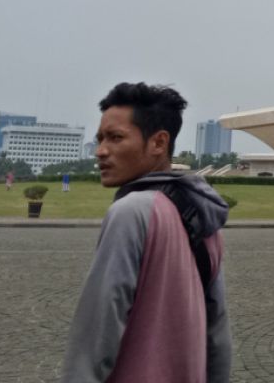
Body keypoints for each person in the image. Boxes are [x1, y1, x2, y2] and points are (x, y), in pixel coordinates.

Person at [61, 82, 231, 383]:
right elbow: (217, 333)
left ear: (158, 142)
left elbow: (99, 329)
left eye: (115, 138)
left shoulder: (130, 212)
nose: (101, 151)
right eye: (100, 139)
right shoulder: (204, 217)